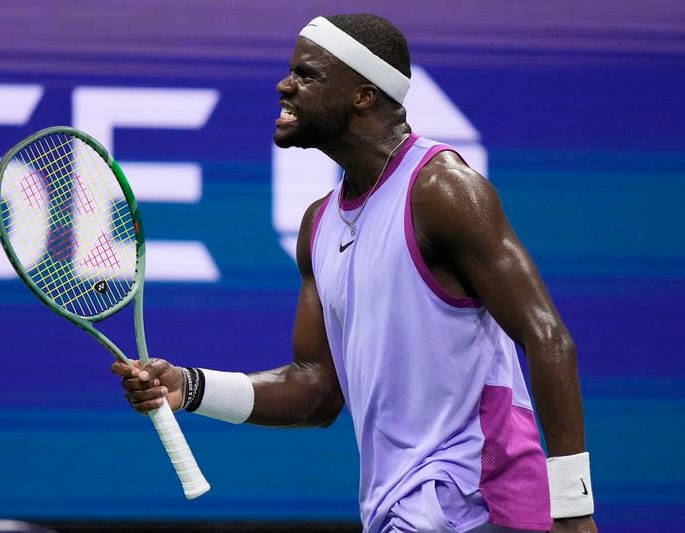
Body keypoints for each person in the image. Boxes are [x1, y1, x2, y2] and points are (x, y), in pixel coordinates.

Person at [112, 13, 598, 533]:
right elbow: (318, 389)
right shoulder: (319, 225)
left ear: (363, 95)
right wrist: (189, 387)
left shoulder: (443, 192)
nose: (285, 84)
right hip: (398, 508)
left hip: (475, 500)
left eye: (307, 74)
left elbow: (547, 337)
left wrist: (572, 507)